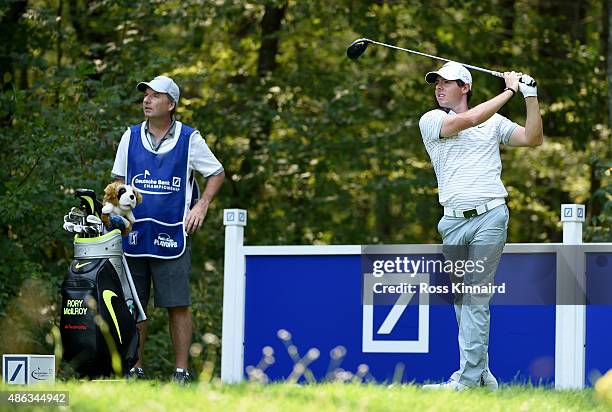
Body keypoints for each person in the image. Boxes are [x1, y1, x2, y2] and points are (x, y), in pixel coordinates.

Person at [418, 62, 543, 390]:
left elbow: (532, 138)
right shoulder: (433, 120)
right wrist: (509, 90)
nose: (439, 88)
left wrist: (530, 97)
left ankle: (467, 380)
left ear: (466, 87)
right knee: (463, 300)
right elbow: (469, 120)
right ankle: (480, 377)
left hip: (490, 216)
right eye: (437, 83)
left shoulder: (495, 122)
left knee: (474, 296)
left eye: (447, 83)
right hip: (453, 223)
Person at [111, 75, 225, 383]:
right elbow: (117, 182)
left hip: (173, 233)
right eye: (145, 95)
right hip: (133, 235)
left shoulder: (190, 139)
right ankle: (134, 369)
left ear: (170, 104)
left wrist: (201, 206)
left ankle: (181, 373)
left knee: (177, 304)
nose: (146, 100)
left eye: (154, 96)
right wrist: (114, 213)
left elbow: (216, 172)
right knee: (134, 305)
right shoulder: (130, 136)